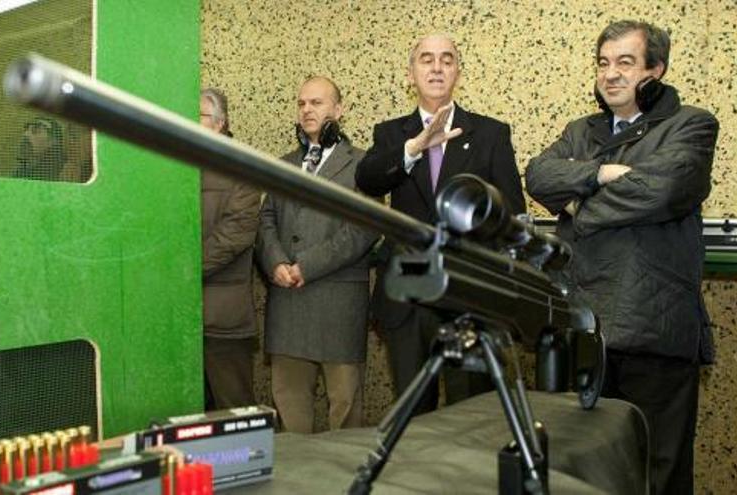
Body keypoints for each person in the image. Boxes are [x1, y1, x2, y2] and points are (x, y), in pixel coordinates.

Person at [525, 20, 718, 495]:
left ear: (656, 70)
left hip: (655, 330)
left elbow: (666, 188)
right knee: (581, 475)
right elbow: (539, 176)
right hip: (585, 329)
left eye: (626, 63)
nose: (610, 74)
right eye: (604, 63)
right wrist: (606, 172)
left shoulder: (691, 125)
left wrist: (579, 205)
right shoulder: (580, 132)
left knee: (658, 473)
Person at [355, 34, 525, 413]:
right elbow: (367, 179)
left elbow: (510, 213)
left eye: (446, 60)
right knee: (412, 419)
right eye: (426, 59)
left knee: (469, 418)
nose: (436, 67)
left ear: (458, 72)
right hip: (407, 297)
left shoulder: (491, 133)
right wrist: (414, 148)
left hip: (469, 298)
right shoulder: (391, 134)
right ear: (411, 73)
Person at [256, 76, 377, 433]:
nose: (307, 110)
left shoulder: (363, 165)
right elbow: (265, 219)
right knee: (290, 406)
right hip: (287, 304)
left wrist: (307, 266)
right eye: (302, 103)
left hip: (338, 305)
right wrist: (276, 261)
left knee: (345, 409)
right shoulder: (284, 164)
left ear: (338, 110)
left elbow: (364, 228)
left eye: (317, 103)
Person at [199, 88, 261, 409]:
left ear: (220, 123)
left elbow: (235, 235)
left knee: (234, 414)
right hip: (173, 319)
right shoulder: (168, 166)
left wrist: (179, 269)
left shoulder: (241, 167)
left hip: (222, 319)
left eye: (199, 115)